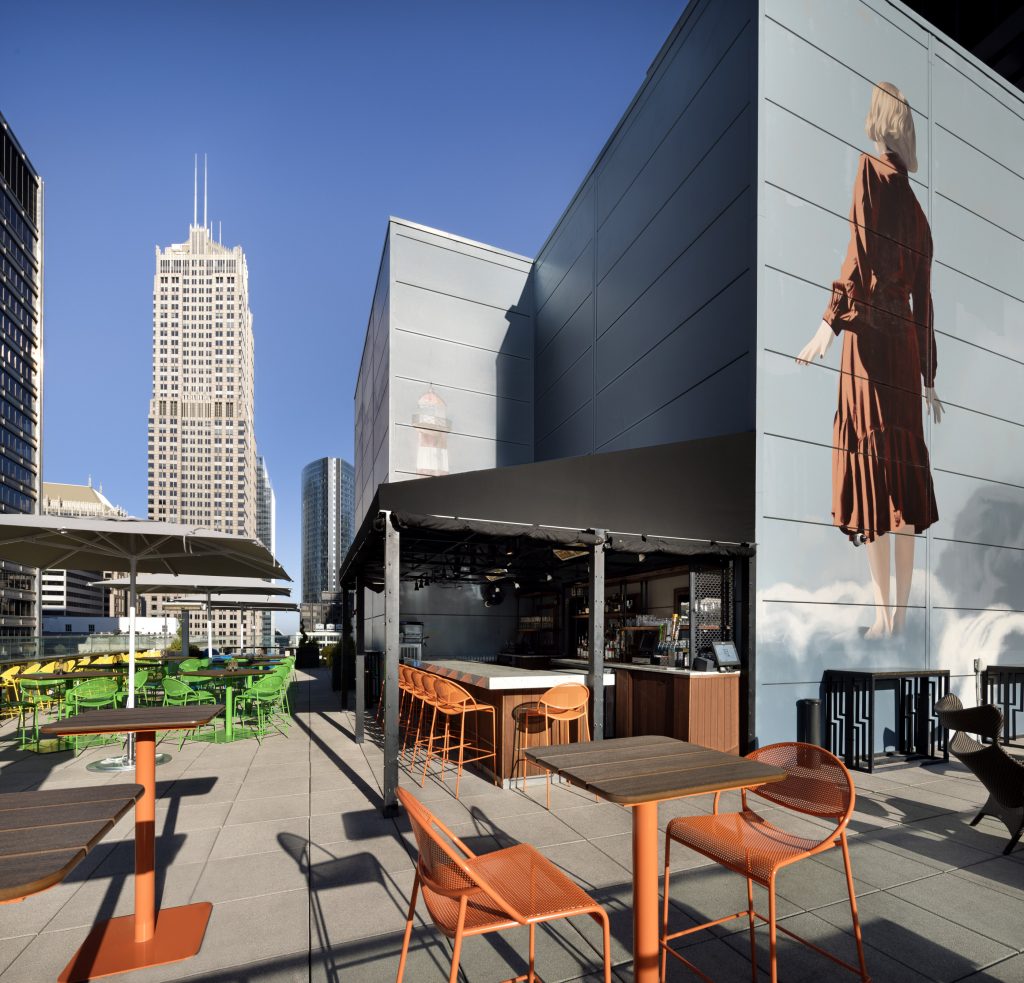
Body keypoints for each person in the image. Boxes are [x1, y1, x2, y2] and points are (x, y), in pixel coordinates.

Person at [796, 82, 943, 638]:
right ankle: (895, 619)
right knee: (899, 482)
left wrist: (828, 324)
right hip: (904, 348)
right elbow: (924, 300)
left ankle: (884, 617)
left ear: (879, 124)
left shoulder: (868, 172)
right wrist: (928, 377)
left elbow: (856, 256)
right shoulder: (920, 216)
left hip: (870, 342)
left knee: (876, 478)